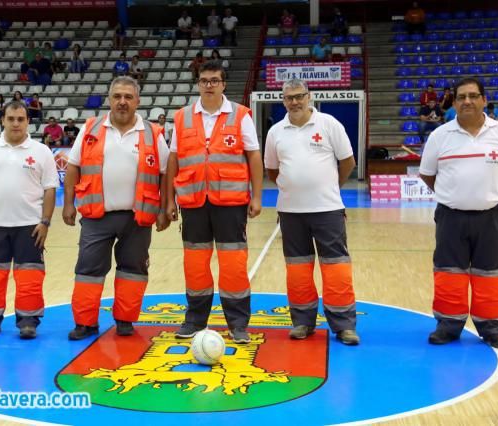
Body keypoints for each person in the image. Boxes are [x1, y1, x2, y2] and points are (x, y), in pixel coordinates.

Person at [419, 77, 498, 350]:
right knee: (448, 272)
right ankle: (448, 324)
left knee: (491, 272)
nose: (467, 101)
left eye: (473, 96)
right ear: (453, 103)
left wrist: (492, 195)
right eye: (461, 97)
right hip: (450, 216)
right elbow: (428, 175)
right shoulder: (440, 136)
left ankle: (492, 328)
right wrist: (454, 195)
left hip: (493, 217)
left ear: (484, 100)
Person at [63, 76, 170, 340]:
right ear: (109, 99)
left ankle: (124, 320)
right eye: (117, 97)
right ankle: (85, 322)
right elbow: (73, 166)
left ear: (138, 101)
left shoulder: (153, 133)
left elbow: (166, 173)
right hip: (96, 215)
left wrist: (167, 206)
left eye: (128, 97)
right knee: (88, 270)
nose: (122, 102)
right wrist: (67, 204)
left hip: (138, 216)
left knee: (133, 270)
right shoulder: (90, 128)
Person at [165, 61, 263, 344]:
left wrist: (256, 196)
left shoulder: (240, 115)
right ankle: (195, 319)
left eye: (214, 80)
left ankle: (238, 323)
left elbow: (254, 157)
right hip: (193, 202)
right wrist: (170, 198)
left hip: (231, 202)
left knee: (233, 264)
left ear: (223, 84)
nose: (209, 84)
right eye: (204, 80)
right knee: (195, 264)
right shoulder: (182, 116)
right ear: (198, 83)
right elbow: (173, 159)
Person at [263, 78, 359, 345]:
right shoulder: (276, 132)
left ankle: (344, 325)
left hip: (328, 210)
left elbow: (348, 162)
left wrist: (330, 188)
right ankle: (302, 322)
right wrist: (292, 186)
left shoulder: (329, 124)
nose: (294, 102)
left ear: (309, 97)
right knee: (298, 271)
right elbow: (272, 170)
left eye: (299, 96)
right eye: (289, 98)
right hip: (291, 213)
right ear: (283, 101)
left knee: (336, 269)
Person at [0, 100, 58, 339]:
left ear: (28, 121)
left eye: (21, 119)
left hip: (30, 226)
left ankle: (28, 321)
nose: (16, 123)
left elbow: (50, 190)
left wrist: (45, 222)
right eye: (11, 119)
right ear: (3, 120)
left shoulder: (42, 151)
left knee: (30, 277)